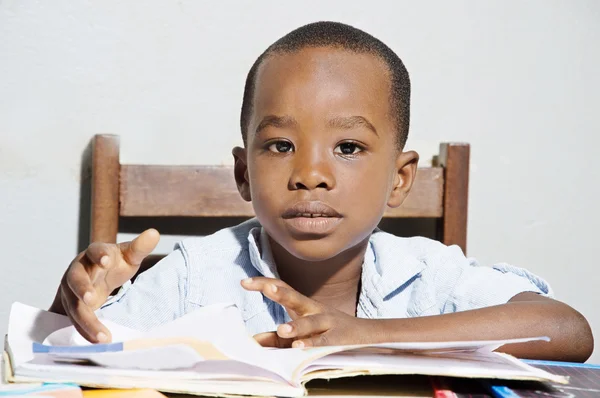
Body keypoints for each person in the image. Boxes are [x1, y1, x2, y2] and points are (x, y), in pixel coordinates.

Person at [49, 21, 593, 362]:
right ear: (243, 173)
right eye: (280, 145)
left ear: (400, 179)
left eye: (349, 148)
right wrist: (72, 303)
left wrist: (369, 334)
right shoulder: (197, 274)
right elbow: (65, 351)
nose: (311, 174)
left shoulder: (425, 276)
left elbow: (564, 330)